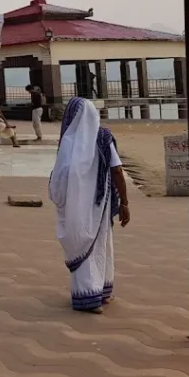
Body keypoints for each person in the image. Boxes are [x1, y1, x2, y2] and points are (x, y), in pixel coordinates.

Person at [48, 97, 131, 313]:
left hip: (76, 207)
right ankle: (96, 294)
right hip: (99, 206)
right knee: (99, 244)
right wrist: (124, 202)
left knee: (83, 242)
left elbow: (57, 180)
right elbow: (117, 170)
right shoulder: (103, 137)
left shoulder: (68, 142)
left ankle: (91, 293)